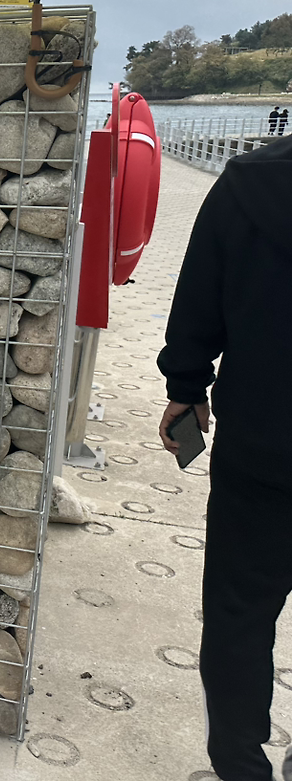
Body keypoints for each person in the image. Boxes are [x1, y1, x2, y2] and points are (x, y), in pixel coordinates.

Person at [158, 133, 292, 781]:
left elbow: (198, 298)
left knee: (239, 617)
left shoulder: (248, 182)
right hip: (261, 447)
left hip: (263, 445)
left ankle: (240, 766)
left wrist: (186, 388)